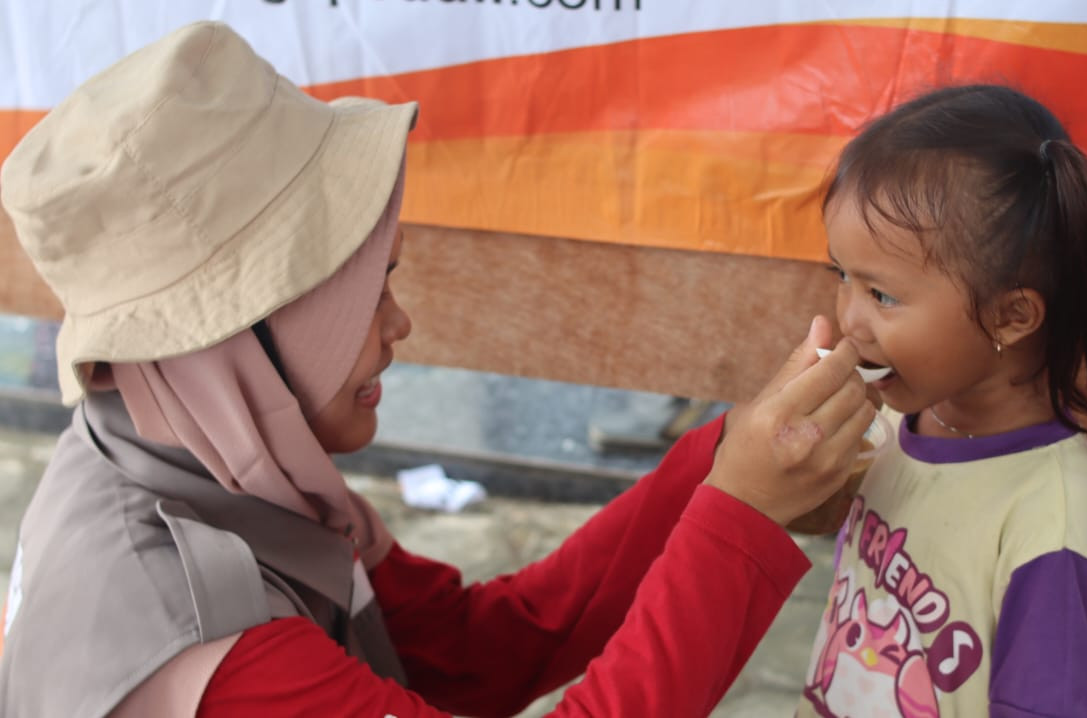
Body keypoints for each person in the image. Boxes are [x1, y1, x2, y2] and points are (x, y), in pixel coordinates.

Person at [0, 21, 879, 717]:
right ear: (239, 333)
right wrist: (740, 517)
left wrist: (719, 463)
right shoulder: (216, 652)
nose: (399, 324)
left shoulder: (207, 460)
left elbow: (477, 649)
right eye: (363, 293)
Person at [795, 85, 1087, 718]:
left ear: (1010, 316)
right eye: (842, 276)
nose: (850, 320)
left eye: (883, 295)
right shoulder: (899, 417)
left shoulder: (1049, 523)